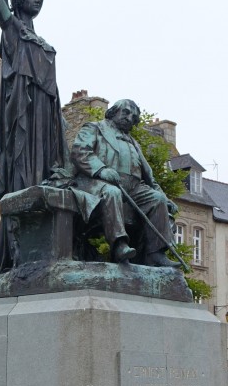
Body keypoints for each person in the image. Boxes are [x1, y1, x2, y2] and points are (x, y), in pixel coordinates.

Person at [0, 0, 68, 272]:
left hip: (44, 126)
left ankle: (44, 255)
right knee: (22, 183)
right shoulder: (13, 31)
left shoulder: (45, 45)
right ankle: (18, 256)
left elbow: (55, 95)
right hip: (21, 123)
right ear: (18, 0)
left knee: (45, 181)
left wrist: (61, 133)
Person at [70, 99, 179, 266]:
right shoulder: (95, 128)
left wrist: (164, 196)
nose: (129, 118)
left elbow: (148, 175)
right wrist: (101, 170)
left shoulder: (133, 142)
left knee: (157, 199)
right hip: (95, 181)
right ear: (114, 112)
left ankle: (155, 254)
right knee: (112, 193)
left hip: (133, 187)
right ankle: (119, 245)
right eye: (126, 112)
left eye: (133, 117)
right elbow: (80, 151)